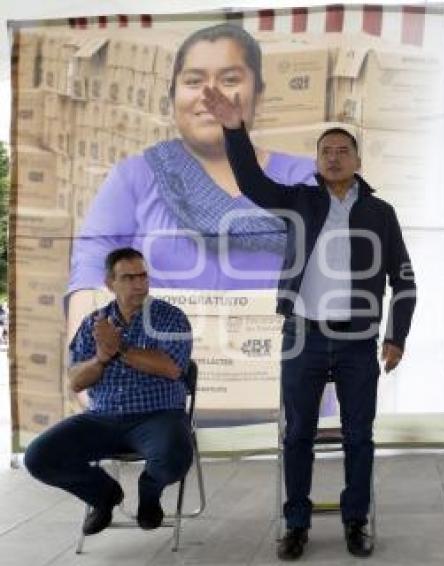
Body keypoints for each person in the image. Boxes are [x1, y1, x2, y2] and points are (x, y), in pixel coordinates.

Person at [201, 84, 416, 560]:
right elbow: (253, 184)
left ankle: (355, 520)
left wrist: (395, 336)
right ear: (317, 161)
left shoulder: (381, 213)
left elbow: (404, 280)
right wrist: (235, 130)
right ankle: (295, 522)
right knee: (297, 435)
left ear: (358, 161)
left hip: (360, 342)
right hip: (303, 337)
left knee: (360, 437)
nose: (335, 158)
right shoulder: (299, 201)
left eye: (343, 151)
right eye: (326, 152)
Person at [68, 23, 316, 325]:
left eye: (230, 79)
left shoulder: (305, 178)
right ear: (173, 96)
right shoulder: (135, 178)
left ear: (259, 94)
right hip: (159, 360)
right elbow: (92, 264)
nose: (210, 94)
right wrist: (88, 348)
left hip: (278, 364)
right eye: (194, 81)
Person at [24, 248, 194, 534]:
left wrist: (119, 349)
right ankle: (103, 495)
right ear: (110, 283)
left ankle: (149, 493)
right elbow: (77, 380)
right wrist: (101, 358)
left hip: (158, 416)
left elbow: (172, 368)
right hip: (101, 418)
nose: (139, 284)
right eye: (128, 277)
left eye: (142, 276)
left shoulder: (170, 318)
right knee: (39, 458)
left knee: (174, 456)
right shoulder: (94, 323)